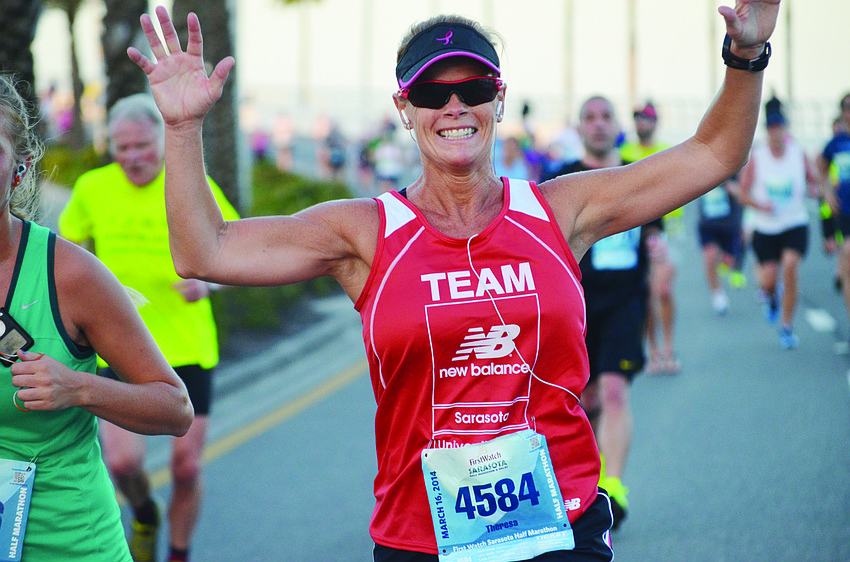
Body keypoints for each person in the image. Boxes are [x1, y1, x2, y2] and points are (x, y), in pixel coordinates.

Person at [130, 3, 780, 560]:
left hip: (560, 523)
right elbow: (205, 250)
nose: (454, 106)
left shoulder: (559, 211)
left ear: (498, 97)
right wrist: (182, 128)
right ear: (403, 108)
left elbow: (712, 155)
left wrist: (744, 54)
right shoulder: (366, 233)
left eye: (473, 87)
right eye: (431, 92)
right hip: (422, 537)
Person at [0, 75, 193, 561]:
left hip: (68, 542)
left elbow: (175, 409)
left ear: (19, 170)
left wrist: (77, 388)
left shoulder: (71, 276)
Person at [58, 93, 239, 562]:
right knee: (121, 462)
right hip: (116, 346)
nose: (133, 157)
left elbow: (234, 251)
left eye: (141, 145)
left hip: (186, 343)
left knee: (185, 465)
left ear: (160, 139)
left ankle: (178, 553)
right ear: (110, 146)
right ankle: (143, 511)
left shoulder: (190, 183)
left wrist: (209, 285)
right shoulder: (93, 188)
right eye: (122, 148)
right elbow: (63, 256)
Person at [542, 95, 662, 528]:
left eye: (605, 116)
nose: (598, 125)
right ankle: (586, 481)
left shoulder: (635, 175)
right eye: (589, 118)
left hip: (626, 299)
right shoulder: (560, 181)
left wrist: (656, 245)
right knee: (586, 400)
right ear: (579, 128)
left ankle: (613, 488)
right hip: (575, 306)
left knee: (614, 391)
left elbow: (654, 225)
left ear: (617, 124)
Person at [738, 96, 819, 349]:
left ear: (785, 130)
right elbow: (743, 192)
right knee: (768, 280)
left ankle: (786, 327)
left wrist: (815, 189)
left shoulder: (798, 152)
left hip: (794, 221)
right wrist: (760, 206)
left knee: (791, 267)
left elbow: (812, 179)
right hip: (765, 226)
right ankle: (772, 297)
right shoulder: (758, 156)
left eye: (779, 129)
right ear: (767, 132)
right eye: (771, 129)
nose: (776, 134)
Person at [620, 102, 680, 375]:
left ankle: (669, 347)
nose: (641, 123)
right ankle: (654, 352)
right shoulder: (624, 153)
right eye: (638, 119)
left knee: (663, 290)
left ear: (656, 123)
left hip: (669, 230)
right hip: (635, 233)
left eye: (646, 119)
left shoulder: (668, 151)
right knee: (645, 295)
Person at [697, 175, 747, 314]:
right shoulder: (702, 167)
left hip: (729, 224)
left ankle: (724, 267)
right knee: (710, 257)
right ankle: (717, 295)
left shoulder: (733, 167)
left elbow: (744, 192)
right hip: (707, 224)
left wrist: (731, 187)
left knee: (728, 261)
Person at [820, 94, 850, 324]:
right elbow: (820, 163)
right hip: (845, 210)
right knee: (847, 253)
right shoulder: (837, 143)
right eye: (847, 107)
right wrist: (828, 193)